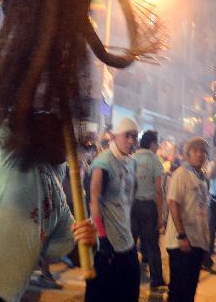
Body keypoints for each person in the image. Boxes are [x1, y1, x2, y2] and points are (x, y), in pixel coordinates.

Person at [0, 115, 97, 302]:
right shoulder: (10, 158)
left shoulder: (59, 202)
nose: (68, 139)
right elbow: (17, 112)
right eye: (59, 131)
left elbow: (75, 252)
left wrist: (90, 240)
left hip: (7, 297)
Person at [85, 117, 140, 301]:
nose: (131, 141)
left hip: (127, 240)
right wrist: (102, 237)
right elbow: (94, 200)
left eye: (134, 136)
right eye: (127, 136)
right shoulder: (103, 163)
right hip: (107, 245)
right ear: (115, 136)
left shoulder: (131, 162)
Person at [166, 136, 211, 302]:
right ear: (188, 154)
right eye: (196, 150)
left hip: (197, 242)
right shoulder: (181, 174)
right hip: (182, 243)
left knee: (190, 289)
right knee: (179, 290)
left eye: (203, 151)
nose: (200, 154)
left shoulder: (202, 178)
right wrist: (182, 235)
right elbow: (173, 203)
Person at [131, 129, 166, 290]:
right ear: (152, 144)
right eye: (157, 143)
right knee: (152, 244)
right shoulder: (155, 161)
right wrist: (160, 216)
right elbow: (159, 190)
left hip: (132, 206)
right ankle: (156, 279)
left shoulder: (131, 159)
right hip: (149, 207)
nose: (158, 146)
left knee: (130, 243)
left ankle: (127, 275)